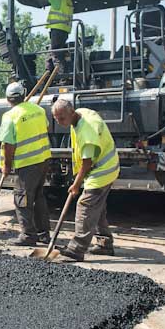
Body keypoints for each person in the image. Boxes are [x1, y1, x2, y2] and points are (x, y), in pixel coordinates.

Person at [51, 99, 119, 261]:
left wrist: (76, 184)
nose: (59, 122)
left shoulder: (86, 131)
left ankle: (76, 249)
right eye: (56, 118)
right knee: (97, 208)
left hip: (102, 170)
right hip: (104, 166)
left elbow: (87, 162)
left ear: (72, 113)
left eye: (62, 118)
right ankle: (105, 243)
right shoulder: (80, 114)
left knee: (86, 206)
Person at [0, 82, 52, 246]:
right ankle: (43, 234)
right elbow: (45, 129)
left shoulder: (10, 116)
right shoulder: (39, 110)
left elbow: (8, 144)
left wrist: (6, 165)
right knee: (38, 196)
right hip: (44, 159)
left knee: (22, 198)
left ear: (8, 99)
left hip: (27, 163)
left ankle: (28, 235)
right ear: (24, 94)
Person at [42, 0, 74, 74]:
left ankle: (62, 74)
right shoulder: (68, 2)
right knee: (52, 51)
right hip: (64, 31)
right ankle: (48, 72)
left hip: (57, 30)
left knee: (55, 53)